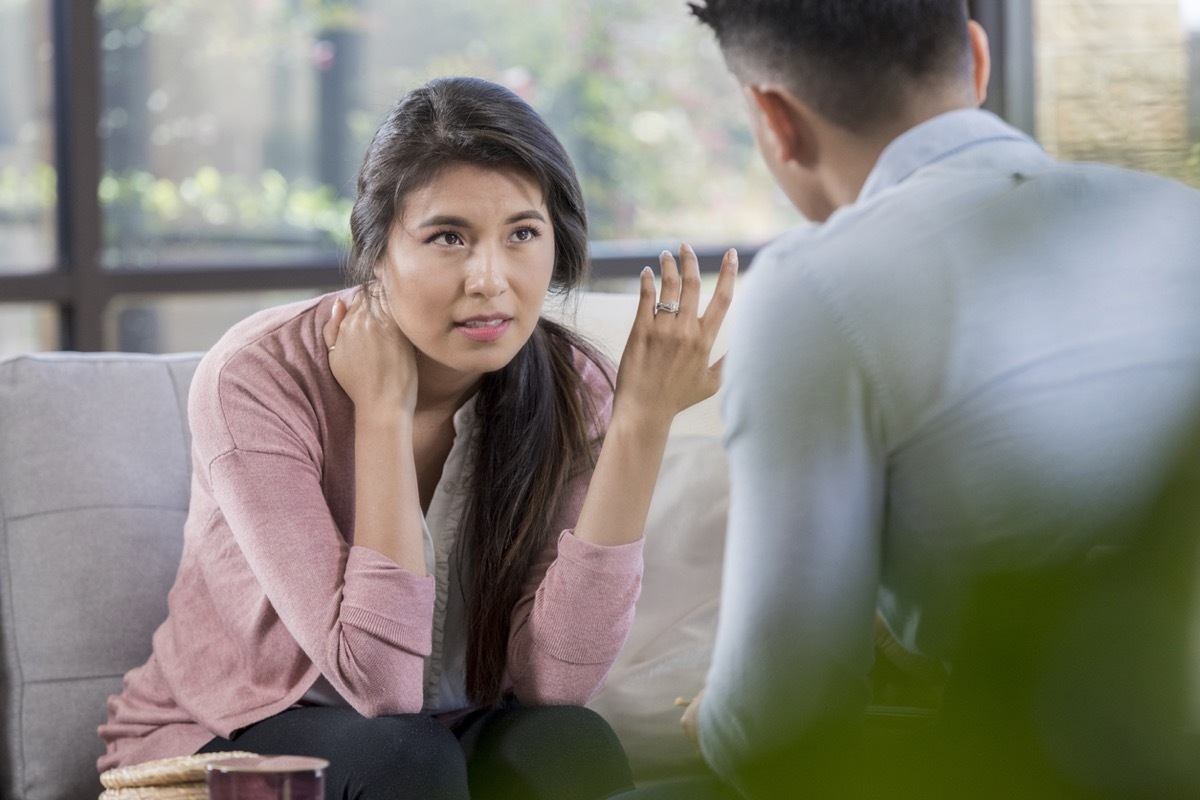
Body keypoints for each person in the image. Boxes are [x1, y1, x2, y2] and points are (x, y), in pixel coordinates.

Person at [617, 2, 1200, 798]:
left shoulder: (813, 289)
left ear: (775, 119)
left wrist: (720, 717)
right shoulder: (1178, 213)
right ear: (978, 56)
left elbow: (778, 731)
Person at [98, 75, 737, 799]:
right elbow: (381, 688)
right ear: (376, 252)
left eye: (522, 234)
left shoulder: (574, 385)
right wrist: (381, 413)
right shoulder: (257, 378)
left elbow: (556, 681)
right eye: (448, 238)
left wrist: (640, 424)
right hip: (240, 734)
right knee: (405, 757)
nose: (490, 279)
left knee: (571, 744)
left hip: (444, 725)